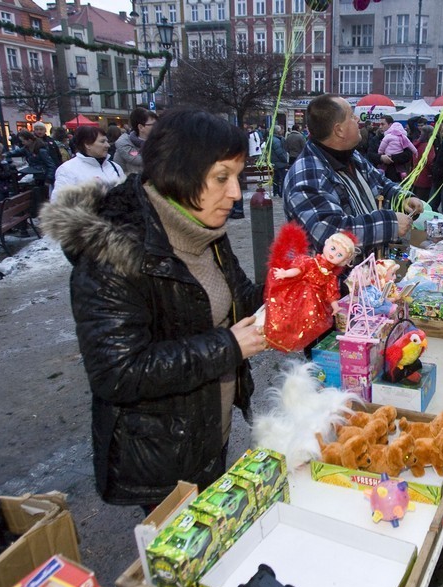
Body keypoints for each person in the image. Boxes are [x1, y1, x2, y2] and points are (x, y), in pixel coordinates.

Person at [40, 107, 265, 508]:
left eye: (237, 176)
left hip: (210, 429)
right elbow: (118, 372)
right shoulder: (113, 253)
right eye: (221, 177)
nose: (235, 193)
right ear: (181, 171)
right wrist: (228, 347)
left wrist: (302, 282)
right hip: (163, 454)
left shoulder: (201, 225)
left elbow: (239, 302)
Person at [282, 93, 423, 256]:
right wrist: (389, 224)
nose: (357, 120)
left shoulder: (351, 156)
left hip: (365, 273)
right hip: (332, 279)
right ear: (339, 130)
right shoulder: (306, 174)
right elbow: (330, 234)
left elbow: (381, 183)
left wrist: (402, 198)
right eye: (351, 116)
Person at [263, 223, 357, 352]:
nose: (333, 255)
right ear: (326, 244)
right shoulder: (311, 262)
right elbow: (299, 270)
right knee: (292, 312)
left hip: (315, 302)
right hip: (301, 293)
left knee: (311, 322)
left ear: (342, 261)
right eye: (333, 249)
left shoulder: (330, 276)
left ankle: (305, 339)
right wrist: (285, 273)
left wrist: (335, 307)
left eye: (339, 255)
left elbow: (331, 293)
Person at [50, 126, 125, 202]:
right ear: (87, 144)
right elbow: (58, 202)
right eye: (102, 141)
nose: (107, 145)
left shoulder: (115, 167)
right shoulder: (67, 169)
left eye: (107, 141)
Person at [114, 106, 157, 175]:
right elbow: (118, 171)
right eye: (153, 124)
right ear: (141, 127)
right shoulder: (124, 145)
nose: (157, 126)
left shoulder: (161, 142)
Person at [411, 125, 436, 203]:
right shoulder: (428, 146)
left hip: (416, 176)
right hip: (425, 177)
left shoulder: (416, 145)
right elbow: (430, 162)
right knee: (423, 202)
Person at [268, 125, 289, 197]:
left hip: (274, 162)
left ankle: (276, 191)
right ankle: (281, 192)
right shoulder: (276, 140)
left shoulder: (272, 139)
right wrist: (285, 160)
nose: (282, 131)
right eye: (281, 130)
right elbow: (279, 152)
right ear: (278, 131)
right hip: (279, 163)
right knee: (282, 178)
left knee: (275, 178)